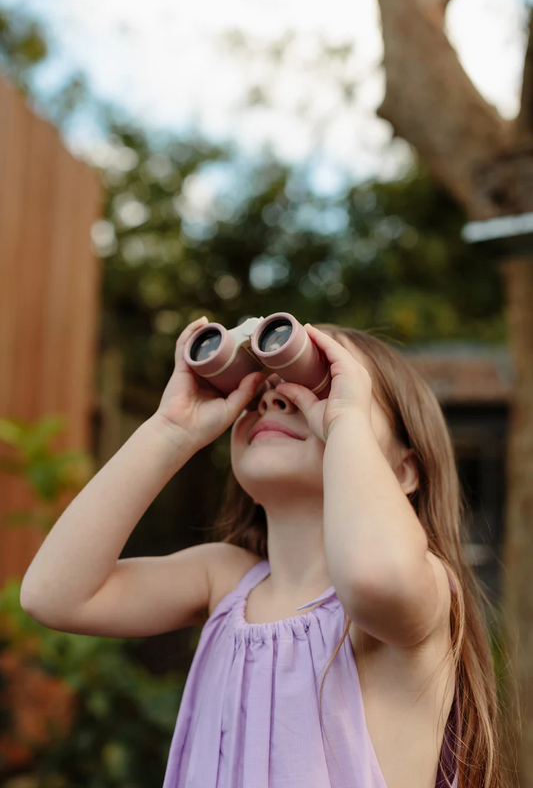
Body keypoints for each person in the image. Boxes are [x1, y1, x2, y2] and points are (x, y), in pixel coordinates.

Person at [20, 316, 506, 788]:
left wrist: (344, 421)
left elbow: (373, 574)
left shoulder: (420, 593)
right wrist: (170, 430)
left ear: (403, 472)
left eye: (320, 388)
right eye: (260, 394)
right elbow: (54, 595)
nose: (275, 396)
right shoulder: (225, 579)